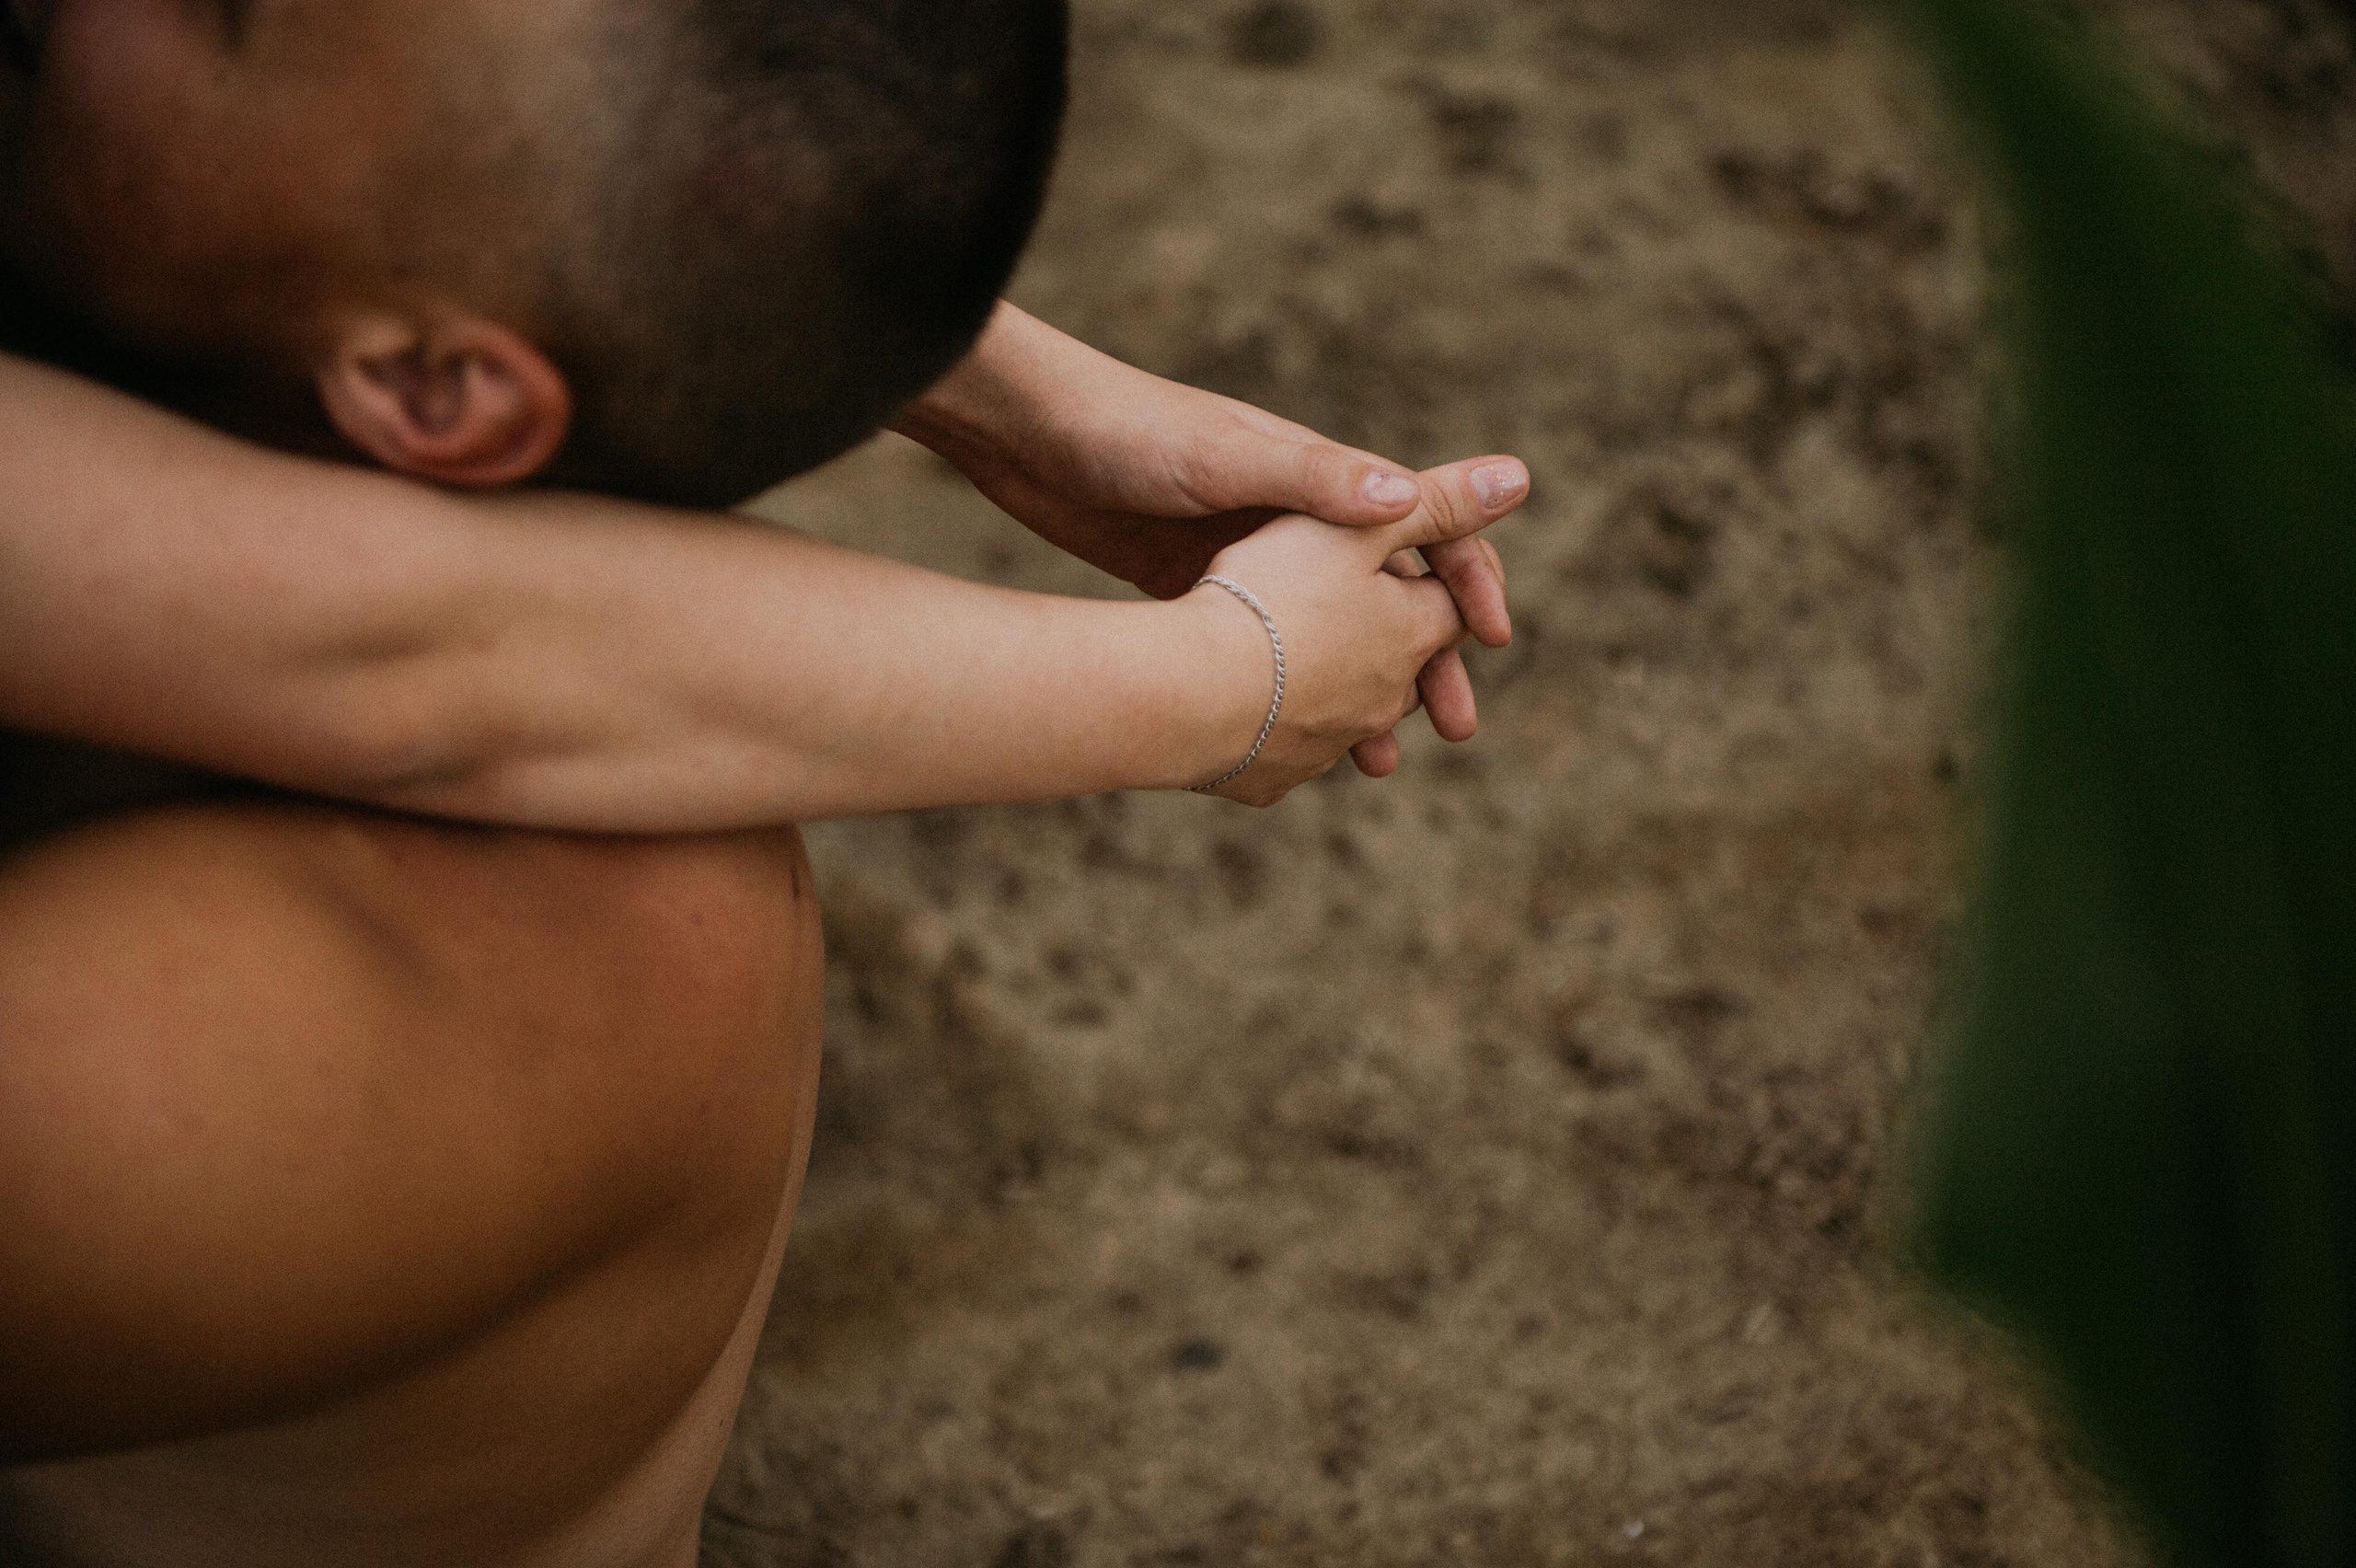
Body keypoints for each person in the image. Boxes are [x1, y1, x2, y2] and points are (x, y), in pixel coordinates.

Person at [0, 3, 1529, 1565]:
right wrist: (1011, 400)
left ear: (435, 381)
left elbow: (409, 637)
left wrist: (1220, 673)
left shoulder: (344, 1002)